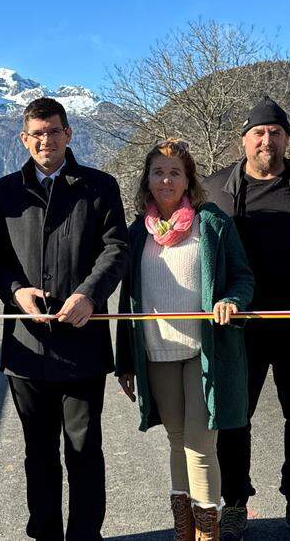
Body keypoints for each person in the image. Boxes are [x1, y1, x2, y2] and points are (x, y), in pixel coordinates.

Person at [0, 97, 129, 541]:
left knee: (85, 448)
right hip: (27, 346)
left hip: (82, 341)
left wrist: (89, 294)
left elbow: (117, 248)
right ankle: (45, 533)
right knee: (38, 451)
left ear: (69, 134)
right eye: (37, 134)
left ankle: (86, 534)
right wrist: (15, 291)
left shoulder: (99, 186)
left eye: (54, 131)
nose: (46, 140)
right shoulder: (5, 190)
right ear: (24, 140)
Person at [205, 97, 290, 541]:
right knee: (234, 417)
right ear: (244, 139)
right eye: (258, 132)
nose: (267, 139)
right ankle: (236, 504)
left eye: (276, 132)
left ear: (287, 137)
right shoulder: (215, 189)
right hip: (238, 328)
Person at [115, 138, 254, 541]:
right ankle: (184, 530)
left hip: (203, 351)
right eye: (158, 172)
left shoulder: (211, 223)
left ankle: (207, 533)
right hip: (157, 351)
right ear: (147, 180)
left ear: (188, 179)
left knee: (198, 442)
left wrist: (231, 298)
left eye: (175, 172)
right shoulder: (136, 234)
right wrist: (125, 361)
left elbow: (243, 277)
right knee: (176, 439)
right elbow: (127, 304)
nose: (166, 179)